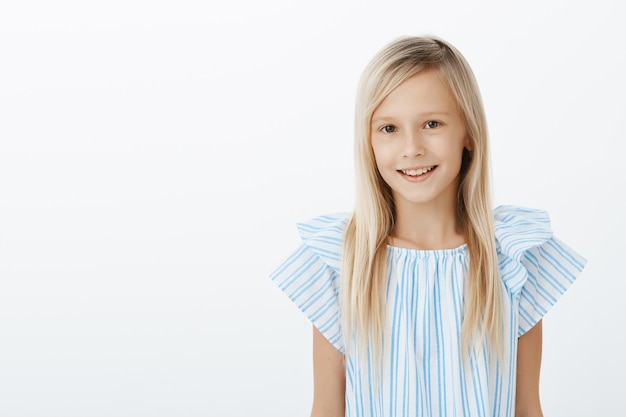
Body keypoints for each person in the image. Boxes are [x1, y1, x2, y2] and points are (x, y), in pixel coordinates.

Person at [269, 36, 586, 417]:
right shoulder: (341, 264)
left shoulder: (512, 260)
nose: (411, 148)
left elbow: (527, 408)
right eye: (389, 129)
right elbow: (326, 409)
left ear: (468, 132)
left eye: (431, 123)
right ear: (367, 142)